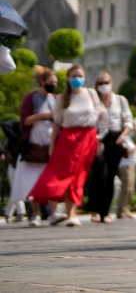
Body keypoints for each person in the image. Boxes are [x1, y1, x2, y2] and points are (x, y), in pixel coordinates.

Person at [28, 64, 104, 227]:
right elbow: (56, 124)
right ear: (68, 79)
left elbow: (99, 117)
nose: (77, 79)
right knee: (58, 173)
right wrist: (51, 146)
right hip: (68, 137)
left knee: (79, 174)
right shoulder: (63, 97)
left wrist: (99, 140)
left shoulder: (91, 94)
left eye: (80, 76)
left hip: (88, 136)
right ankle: (52, 211)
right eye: (74, 76)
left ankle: (72, 213)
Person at [11, 67, 59, 226]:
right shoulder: (32, 98)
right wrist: (42, 116)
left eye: (55, 83)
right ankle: (35, 214)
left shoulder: (56, 99)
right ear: (42, 81)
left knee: (52, 179)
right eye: (50, 82)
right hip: (34, 144)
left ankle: (53, 212)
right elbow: (24, 121)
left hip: (51, 143)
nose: (53, 85)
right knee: (32, 180)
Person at [86, 72, 133, 223]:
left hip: (116, 138)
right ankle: (96, 209)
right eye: (100, 83)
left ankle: (105, 212)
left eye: (106, 82)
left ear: (112, 83)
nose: (103, 86)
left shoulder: (120, 100)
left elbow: (128, 120)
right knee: (99, 173)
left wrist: (124, 136)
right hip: (99, 138)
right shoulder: (94, 101)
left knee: (111, 175)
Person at [116, 136, 136, 220]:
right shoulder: (122, 137)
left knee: (131, 189)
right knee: (126, 188)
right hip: (126, 165)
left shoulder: (129, 138)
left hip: (132, 165)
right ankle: (121, 210)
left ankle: (126, 209)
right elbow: (125, 152)